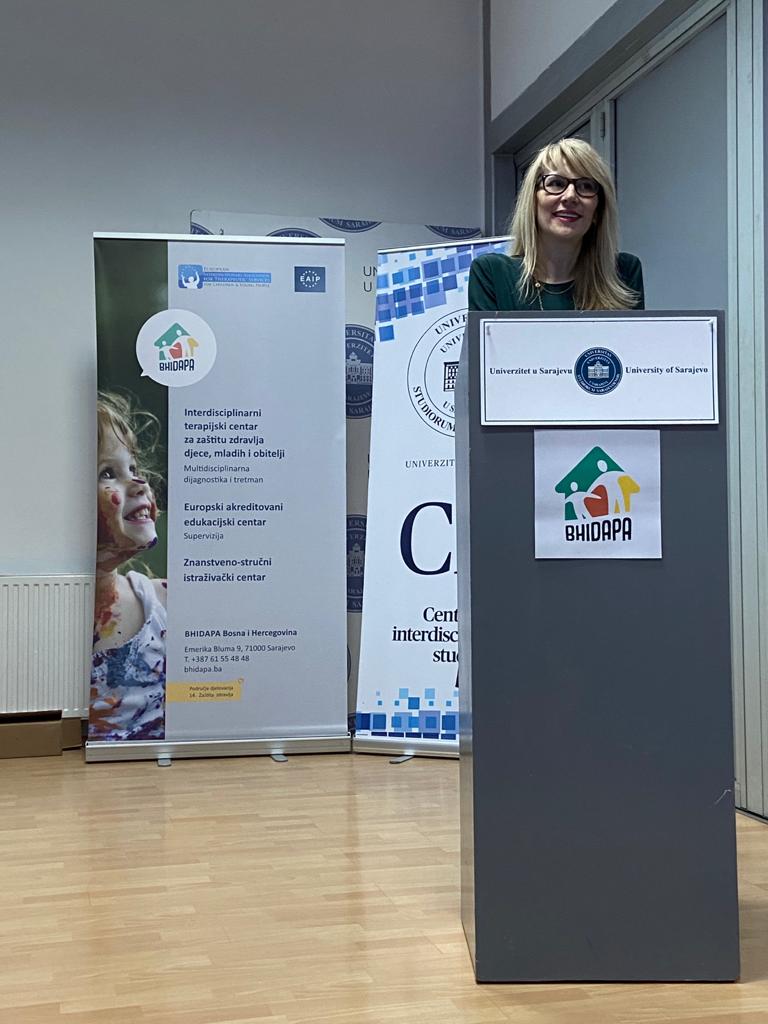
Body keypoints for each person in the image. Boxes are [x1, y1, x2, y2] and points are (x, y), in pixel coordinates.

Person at [469, 138, 644, 312]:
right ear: (533, 200)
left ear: (598, 210)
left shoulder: (623, 272)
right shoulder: (492, 273)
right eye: (556, 183)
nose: (570, 196)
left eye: (586, 186)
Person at [90, 392, 167, 741]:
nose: (139, 483)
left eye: (133, 468)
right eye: (108, 472)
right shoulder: (31, 616)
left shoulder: (165, 604)